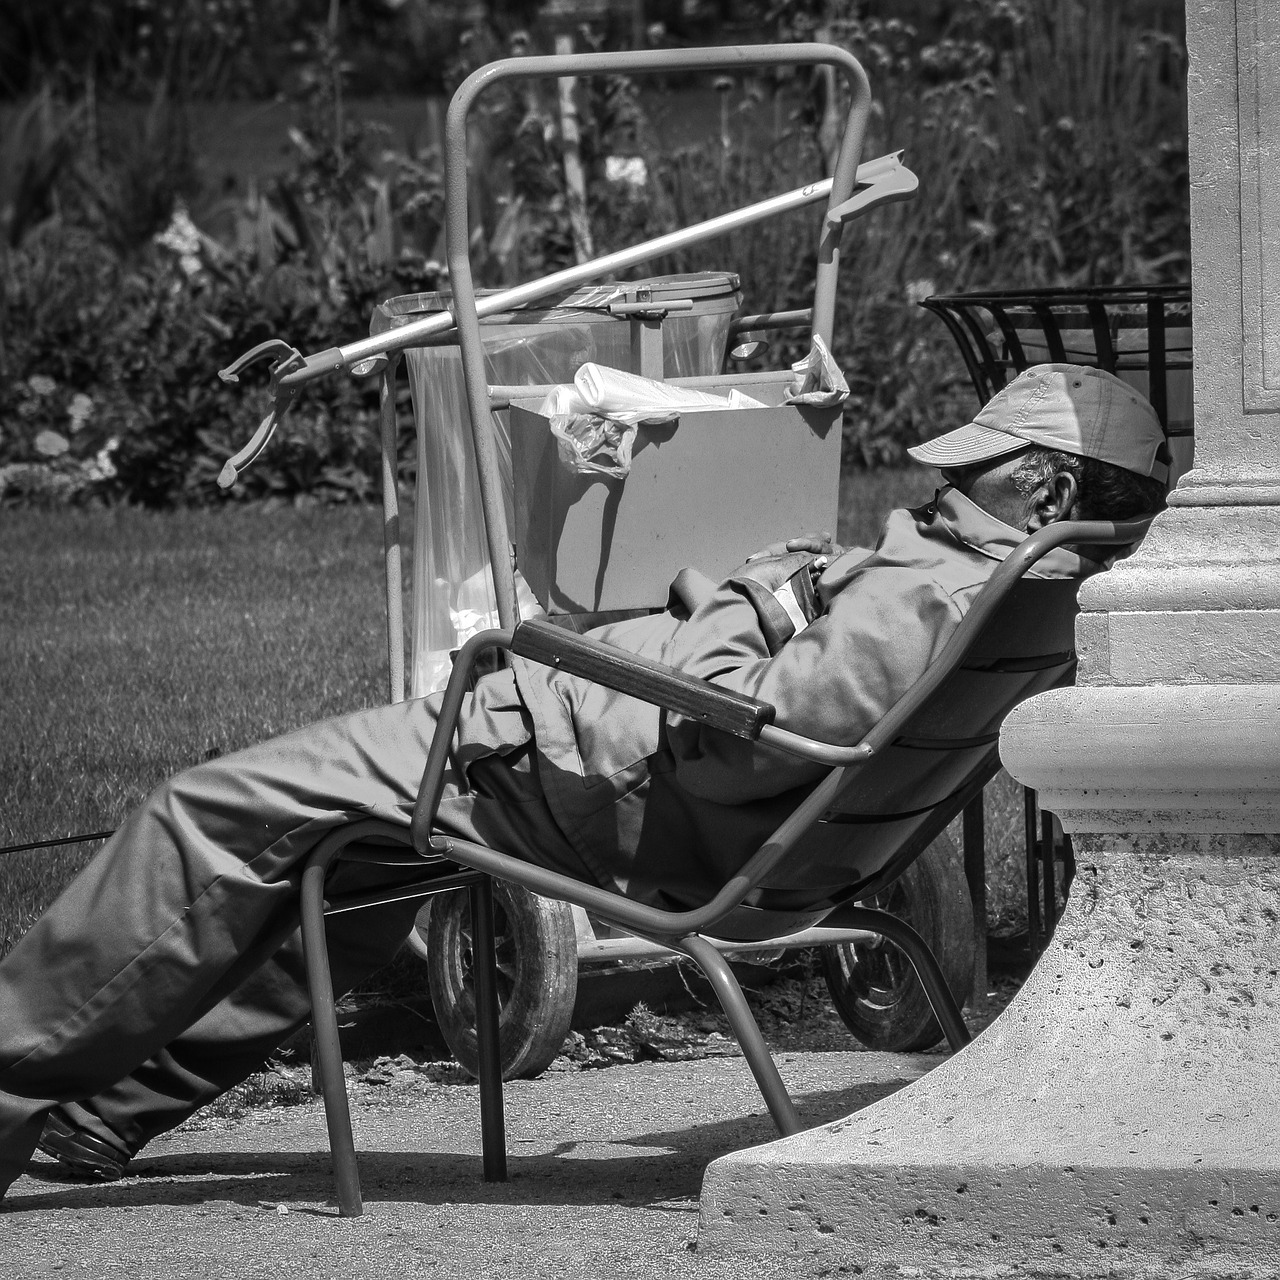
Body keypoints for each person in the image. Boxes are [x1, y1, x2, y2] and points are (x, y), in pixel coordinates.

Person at [0, 363, 1169, 1196]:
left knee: (202, 814)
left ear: (1047, 490)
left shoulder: (930, 589)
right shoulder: (1021, 584)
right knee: (348, 866)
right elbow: (790, 709)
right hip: (605, 765)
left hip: (551, 761)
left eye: (967, 477)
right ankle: (108, 1114)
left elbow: (744, 733)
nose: (933, 493)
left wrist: (750, 596)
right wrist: (793, 594)